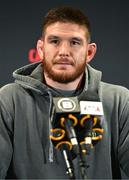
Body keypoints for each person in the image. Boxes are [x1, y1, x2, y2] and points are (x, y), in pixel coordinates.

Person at [0, 6, 129, 179]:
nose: (63, 52)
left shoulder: (119, 101)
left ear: (89, 52)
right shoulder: (9, 100)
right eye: (54, 41)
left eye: (74, 42)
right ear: (40, 49)